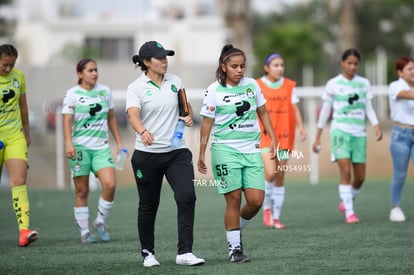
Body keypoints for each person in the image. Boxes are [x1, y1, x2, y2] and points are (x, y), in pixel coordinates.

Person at [126, 41, 205, 267]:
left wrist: (188, 116)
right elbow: (132, 115)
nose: (164, 61)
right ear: (146, 62)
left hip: (176, 152)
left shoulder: (175, 81)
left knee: (187, 196)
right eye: (160, 58)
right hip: (147, 154)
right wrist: (142, 130)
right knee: (149, 204)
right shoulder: (136, 88)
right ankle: (148, 253)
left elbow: (184, 106)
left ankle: (185, 252)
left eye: (166, 57)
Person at [198, 44, 277, 263]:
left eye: (242, 66)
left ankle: (234, 229)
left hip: (251, 150)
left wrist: (272, 137)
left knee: (256, 200)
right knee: (233, 199)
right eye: (234, 66)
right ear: (224, 67)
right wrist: (201, 153)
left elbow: (263, 112)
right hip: (225, 150)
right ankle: (235, 249)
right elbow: (206, 123)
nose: (239, 70)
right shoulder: (213, 90)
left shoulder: (252, 86)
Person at [312, 48, 383, 224]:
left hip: (359, 134)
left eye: (355, 63)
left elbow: (368, 107)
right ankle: (350, 212)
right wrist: (317, 136)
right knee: (345, 171)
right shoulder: (333, 84)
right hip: (340, 132)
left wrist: (376, 124)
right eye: (349, 63)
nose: (352, 66)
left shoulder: (364, 83)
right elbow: (325, 112)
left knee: (360, 178)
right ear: (342, 63)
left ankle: (346, 201)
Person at [62, 58, 124, 243]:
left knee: (110, 185)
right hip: (79, 148)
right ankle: (84, 231)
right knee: (82, 191)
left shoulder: (105, 92)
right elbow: (66, 120)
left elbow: (111, 117)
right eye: (90, 70)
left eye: (96, 70)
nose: (95, 73)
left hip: (101, 148)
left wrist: (119, 142)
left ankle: (99, 221)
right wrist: (68, 143)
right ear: (80, 74)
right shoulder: (72, 94)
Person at [257, 52, 306, 229]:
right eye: (276, 65)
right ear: (266, 67)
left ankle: (276, 217)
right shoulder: (258, 85)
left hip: (285, 135)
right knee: (270, 173)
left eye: (281, 65)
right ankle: (267, 209)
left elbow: (295, 108)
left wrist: (301, 126)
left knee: (280, 175)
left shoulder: (289, 86)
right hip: (265, 135)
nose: (279, 68)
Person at [0, 44, 38, 247]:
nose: (8, 69)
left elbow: (23, 106)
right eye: (5, 65)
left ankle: (24, 231)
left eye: (11, 65)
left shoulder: (19, 77)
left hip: (15, 137)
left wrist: (27, 134)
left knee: (19, 181)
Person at [388, 56, 414, 222]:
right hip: (400, 136)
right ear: (400, 72)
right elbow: (406, 95)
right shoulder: (395, 86)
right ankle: (395, 208)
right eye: (410, 69)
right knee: (400, 174)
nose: (413, 72)